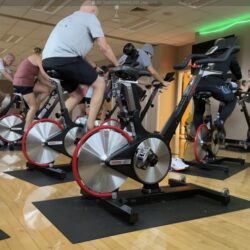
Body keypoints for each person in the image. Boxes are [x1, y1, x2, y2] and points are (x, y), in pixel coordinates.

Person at [42, 0, 119, 130]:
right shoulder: (91, 17)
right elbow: (103, 47)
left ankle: (55, 125)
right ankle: (89, 127)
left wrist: (94, 68)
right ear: (93, 10)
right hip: (65, 59)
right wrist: (118, 65)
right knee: (100, 84)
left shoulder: (66, 19)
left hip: (48, 61)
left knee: (77, 95)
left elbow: (81, 54)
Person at [192, 38, 242, 139]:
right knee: (232, 100)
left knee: (198, 110)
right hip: (215, 84)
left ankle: (199, 137)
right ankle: (220, 120)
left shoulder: (208, 52)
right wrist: (238, 78)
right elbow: (237, 71)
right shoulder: (229, 53)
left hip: (197, 84)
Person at [13, 47, 53, 131]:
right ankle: (26, 129)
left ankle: (33, 108)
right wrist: (54, 81)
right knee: (33, 107)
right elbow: (43, 73)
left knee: (46, 90)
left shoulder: (35, 60)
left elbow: (40, 77)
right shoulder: (37, 57)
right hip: (23, 83)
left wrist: (53, 86)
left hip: (26, 82)